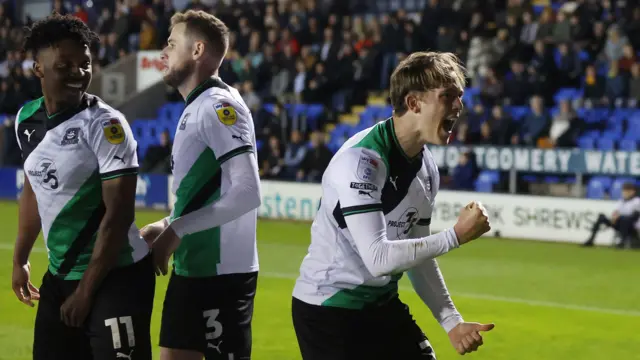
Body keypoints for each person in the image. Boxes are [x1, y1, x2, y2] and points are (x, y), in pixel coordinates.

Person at [291, 51, 495, 360]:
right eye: (448, 96)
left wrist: (452, 322)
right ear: (414, 103)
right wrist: (455, 236)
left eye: (460, 96)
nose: (459, 105)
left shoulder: (426, 167)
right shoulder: (362, 162)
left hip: (382, 305)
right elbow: (378, 258)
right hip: (328, 312)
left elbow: (417, 254)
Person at [10, 14, 155, 360]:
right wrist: (20, 258)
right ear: (38, 69)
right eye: (64, 65)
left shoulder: (107, 127)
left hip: (116, 277)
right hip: (60, 277)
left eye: (85, 63)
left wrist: (87, 292)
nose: (79, 72)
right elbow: (34, 189)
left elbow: (119, 216)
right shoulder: (26, 120)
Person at [140, 10, 261, 360]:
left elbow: (248, 192)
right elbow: (210, 192)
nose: (163, 52)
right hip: (193, 269)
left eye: (172, 44)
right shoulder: (196, 107)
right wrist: (165, 225)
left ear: (197, 51)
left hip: (221, 276)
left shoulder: (218, 106)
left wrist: (176, 230)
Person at [583, 182, 640, 248]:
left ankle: (621, 243)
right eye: (624, 191)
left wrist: (620, 217)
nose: (624, 193)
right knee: (601, 217)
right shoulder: (621, 201)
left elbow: (634, 217)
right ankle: (591, 240)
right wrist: (614, 217)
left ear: (632, 192)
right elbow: (616, 211)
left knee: (625, 220)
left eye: (627, 191)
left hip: (632, 227)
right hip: (619, 223)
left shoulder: (637, 201)